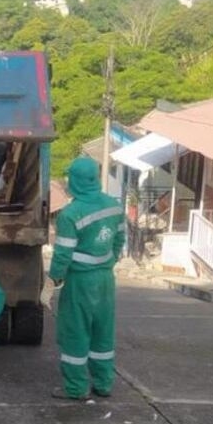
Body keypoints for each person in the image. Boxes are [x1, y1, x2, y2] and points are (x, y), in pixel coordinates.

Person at [46, 156, 125, 400]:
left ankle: (76, 388)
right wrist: (108, 261)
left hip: (80, 282)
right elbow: (119, 240)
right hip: (105, 280)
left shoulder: (71, 214)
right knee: (103, 332)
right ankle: (103, 384)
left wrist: (52, 280)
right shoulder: (114, 205)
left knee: (75, 333)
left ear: (76, 180)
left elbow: (62, 254)